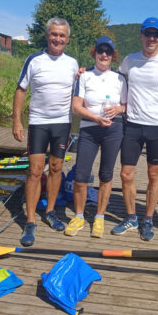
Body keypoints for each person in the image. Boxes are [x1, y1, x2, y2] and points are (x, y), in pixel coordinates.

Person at [111, 17, 158, 241]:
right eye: (148, 34)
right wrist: (86, 71)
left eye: (156, 35)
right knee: (125, 174)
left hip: (156, 127)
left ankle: (148, 219)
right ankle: (132, 217)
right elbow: (115, 79)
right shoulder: (130, 60)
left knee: (153, 174)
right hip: (132, 125)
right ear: (141, 35)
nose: (151, 38)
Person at [13, 17, 78, 246]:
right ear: (47, 35)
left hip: (62, 123)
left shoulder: (73, 64)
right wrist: (17, 122)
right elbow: (20, 90)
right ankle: (30, 220)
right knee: (34, 170)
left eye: (62, 35)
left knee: (57, 168)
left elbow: (81, 89)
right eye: (54, 34)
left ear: (67, 39)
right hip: (39, 122)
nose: (57, 39)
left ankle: (50, 211)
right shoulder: (34, 60)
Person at [64, 36, 127, 238]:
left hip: (113, 129)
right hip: (90, 129)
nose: (104, 55)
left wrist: (118, 109)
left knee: (106, 175)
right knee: (81, 175)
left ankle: (99, 217)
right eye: (101, 50)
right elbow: (76, 106)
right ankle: (79, 216)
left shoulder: (120, 78)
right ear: (95, 53)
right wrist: (95, 118)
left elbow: (126, 106)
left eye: (108, 51)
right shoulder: (84, 76)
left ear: (113, 56)